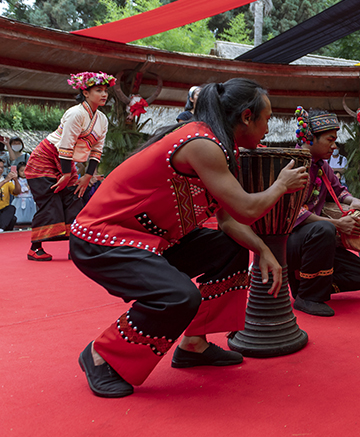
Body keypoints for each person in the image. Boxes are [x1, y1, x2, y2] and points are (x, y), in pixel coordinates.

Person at [70, 78, 308, 398]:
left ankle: (194, 345)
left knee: (230, 247)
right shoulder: (202, 144)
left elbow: (227, 221)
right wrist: (280, 185)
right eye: (267, 118)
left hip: (150, 241)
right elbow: (247, 210)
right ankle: (101, 356)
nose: (269, 127)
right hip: (103, 239)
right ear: (247, 116)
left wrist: (262, 250)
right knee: (179, 296)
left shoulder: (221, 146)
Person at [288, 108, 360, 317]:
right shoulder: (292, 164)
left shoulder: (322, 166)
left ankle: (303, 281)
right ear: (311, 138)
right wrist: (337, 224)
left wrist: (355, 201)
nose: (334, 146)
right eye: (330, 140)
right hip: (289, 241)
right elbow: (292, 212)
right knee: (324, 228)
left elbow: (339, 190)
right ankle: (308, 297)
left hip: (314, 241)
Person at [24, 72, 111, 261]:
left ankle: (76, 247)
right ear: (85, 93)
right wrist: (65, 174)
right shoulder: (75, 113)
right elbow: (65, 145)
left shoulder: (102, 119)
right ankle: (34, 248)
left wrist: (88, 176)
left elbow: (97, 150)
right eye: (98, 90)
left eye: (105, 91)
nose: (104, 94)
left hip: (66, 161)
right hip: (44, 158)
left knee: (75, 199)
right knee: (50, 199)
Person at [10, 161, 35, 226]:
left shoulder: (31, 180)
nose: (23, 173)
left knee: (30, 217)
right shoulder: (15, 181)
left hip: (29, 200)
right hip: (19, 201)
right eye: (21, 171)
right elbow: (14, 190)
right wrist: (26, 188)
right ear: (17, 171)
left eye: (25, 170)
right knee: (18, 217)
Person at [0, 160, 20, 230]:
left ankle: (2, 229)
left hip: (3, 211)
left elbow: (17, 192)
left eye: (2, 167)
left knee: (11, 209)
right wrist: (5, 180)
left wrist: (16, 180)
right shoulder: (5, 180)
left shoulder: (7, 182)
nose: (1, 169)